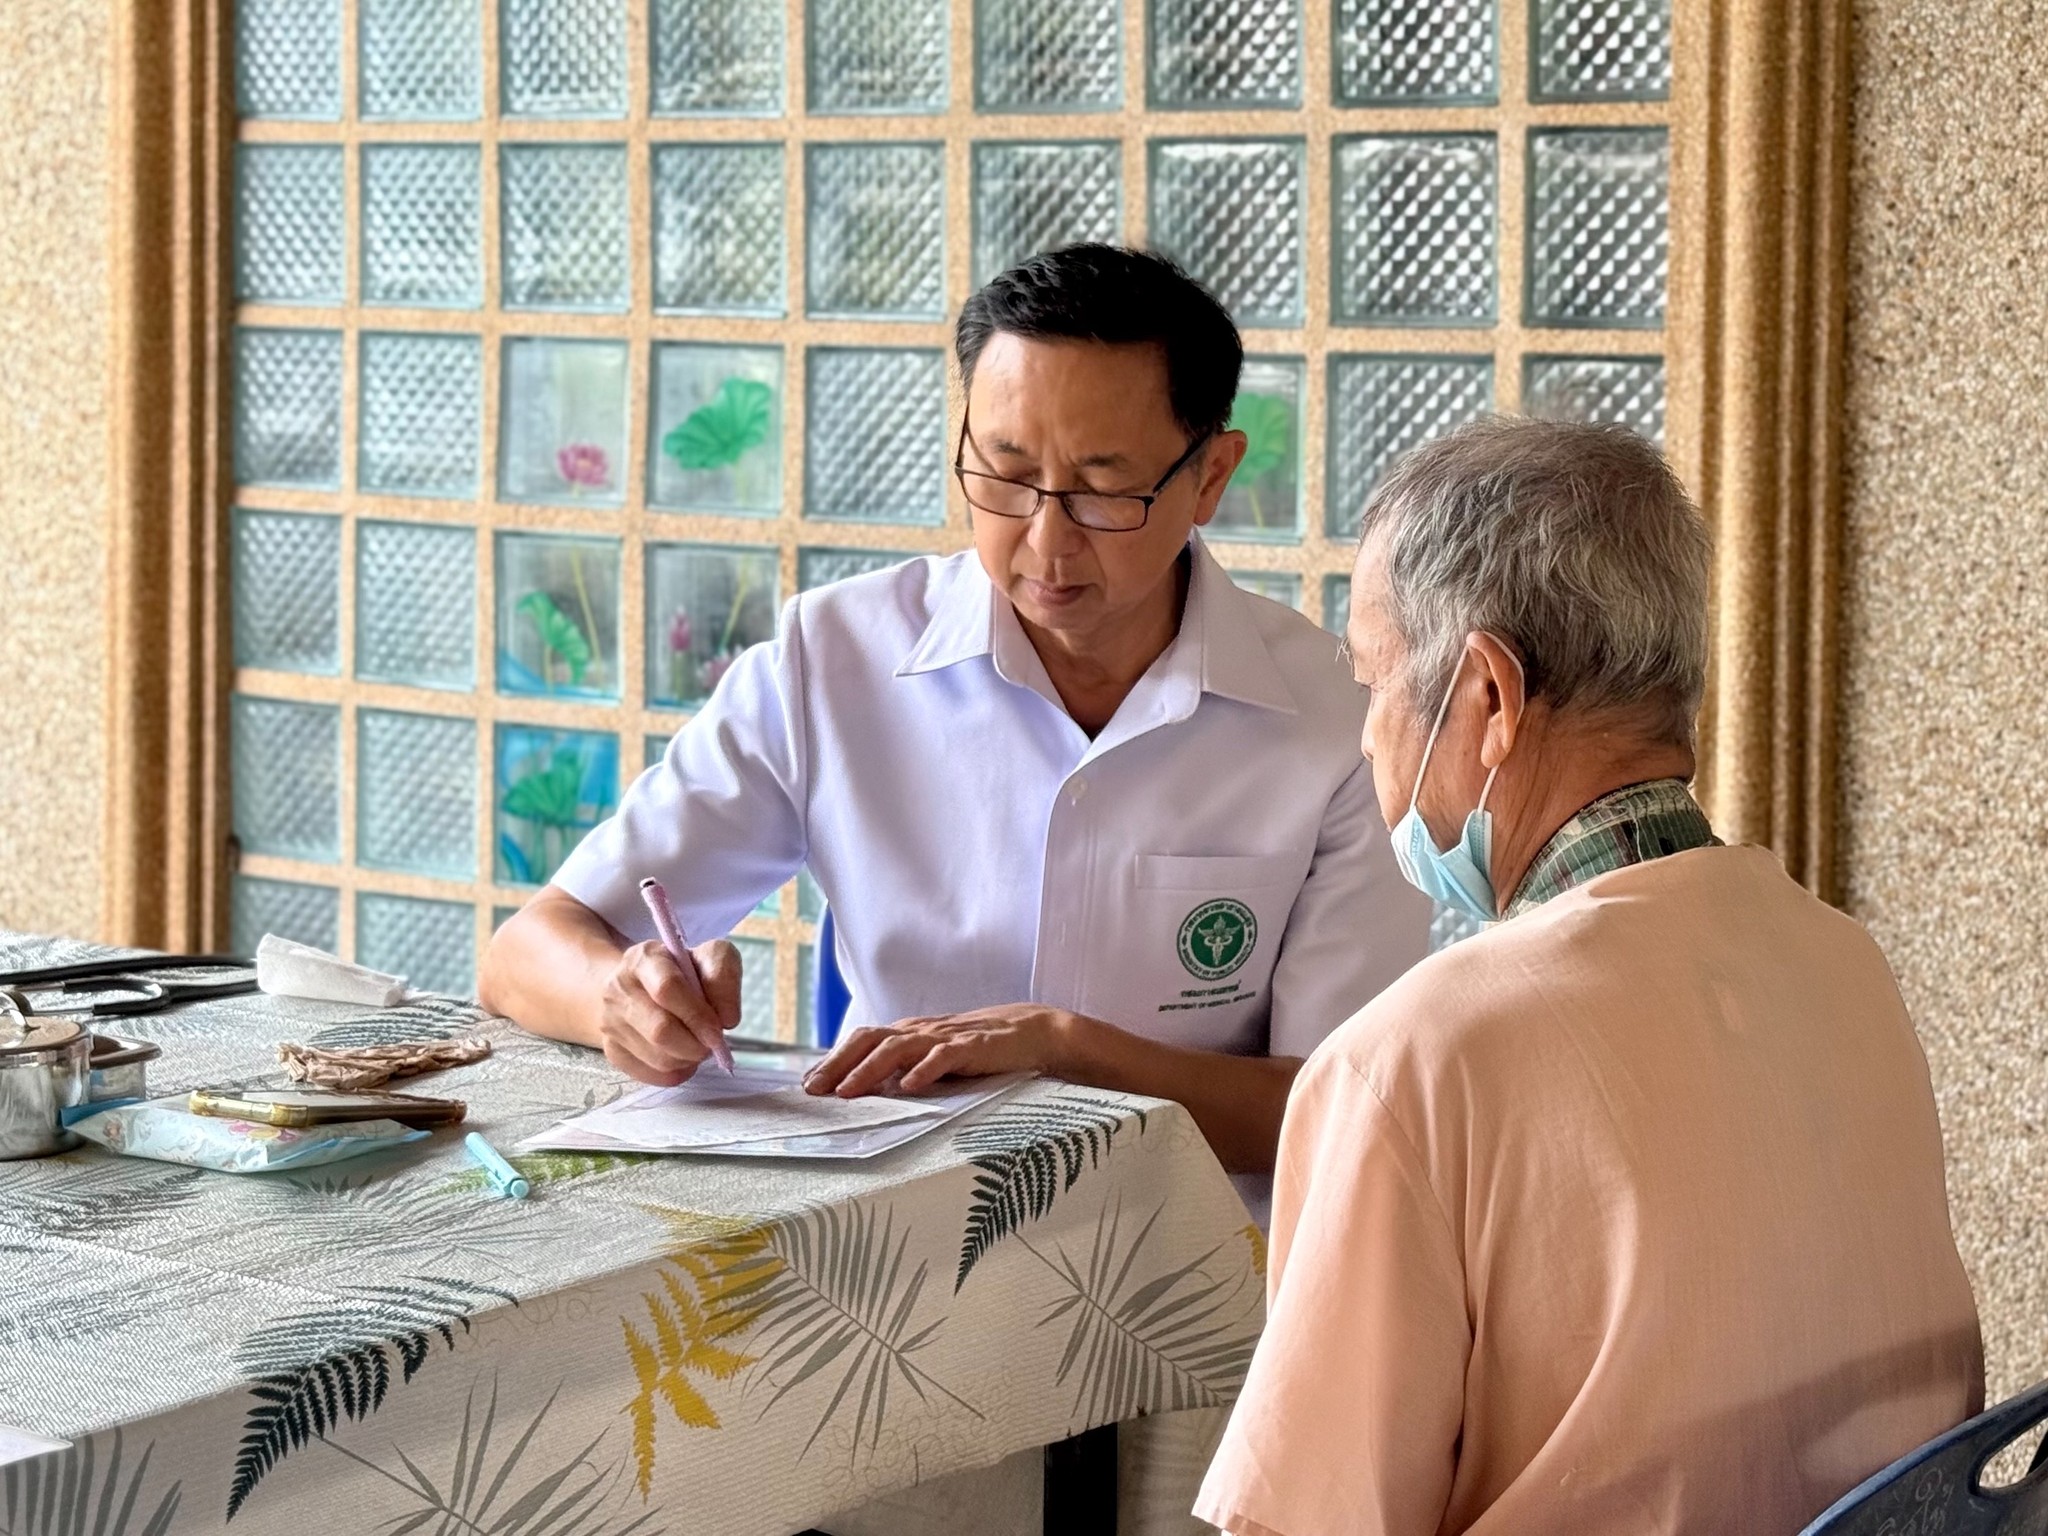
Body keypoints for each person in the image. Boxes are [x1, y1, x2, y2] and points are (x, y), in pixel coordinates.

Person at [478, 245, 1430, 1201]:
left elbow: (1348, 1108)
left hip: (1193, 1257)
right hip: (888, 1237)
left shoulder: (1339, 719)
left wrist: (1065, 1050)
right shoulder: (836, 660)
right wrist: (623, 1000)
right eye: (1004, 476)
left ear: (1211, 475)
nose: (1046, 544)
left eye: (1104, 492)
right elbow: (526, 953)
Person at [1195, 417, 1983, 1535]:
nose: (1366, 739)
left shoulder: (1413, 1064)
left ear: (1488, 695)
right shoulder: (1839, 959)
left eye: (1373, 682)